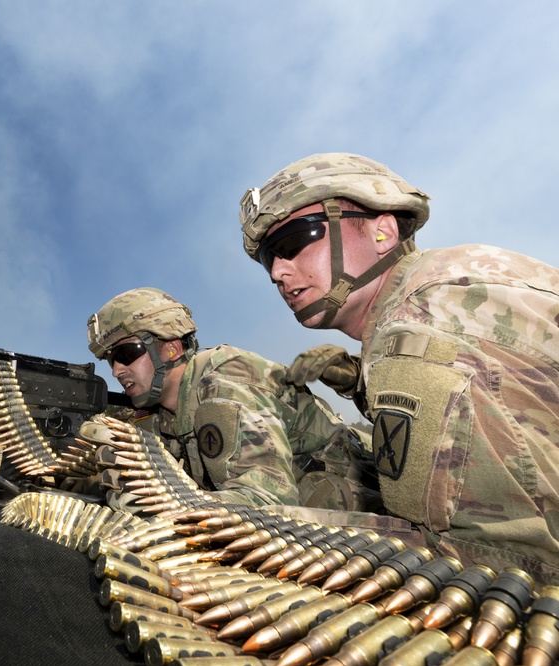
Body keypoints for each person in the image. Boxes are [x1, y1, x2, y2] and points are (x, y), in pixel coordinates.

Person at [238, 152, 559, 583]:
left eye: (295, 242)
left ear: (382, 231)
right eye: (268, 260)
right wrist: (359, 382)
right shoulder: (440, 284)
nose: (278, 271)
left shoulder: (411, 333)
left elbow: (510, 571)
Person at [86, 287, 377, 510]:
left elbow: (267, 501)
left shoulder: (224, 387)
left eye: (126, 354)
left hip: (359, 494)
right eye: (110, 360)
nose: (116, 370)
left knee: (318, 494)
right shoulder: (157, 414)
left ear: (171, 349)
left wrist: (167, 507)